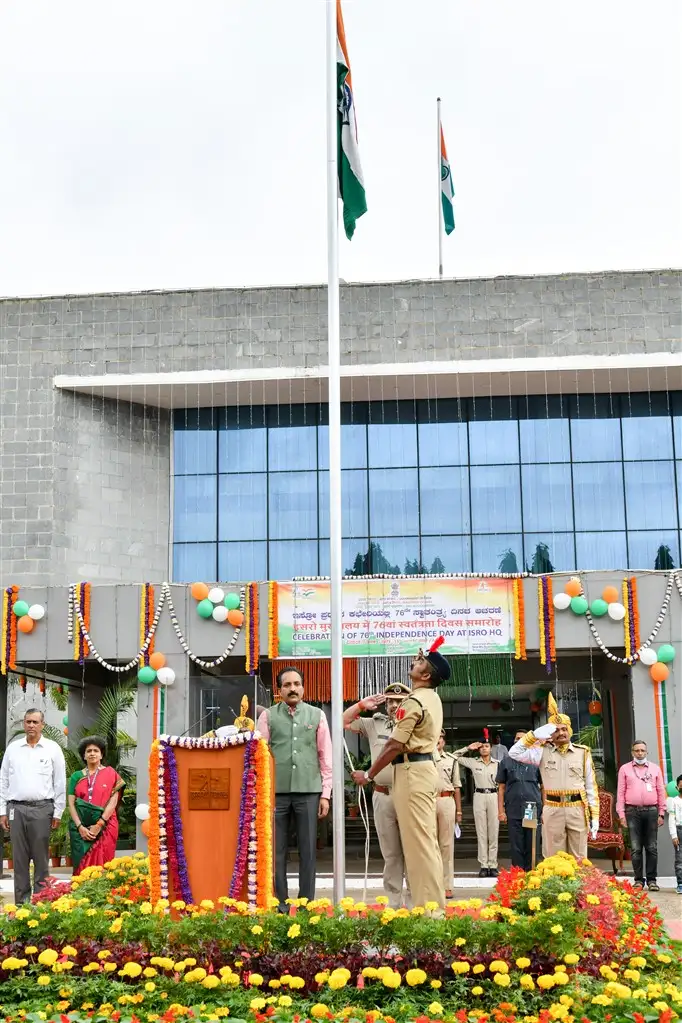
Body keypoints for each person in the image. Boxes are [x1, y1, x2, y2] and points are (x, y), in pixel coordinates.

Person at [351, 636, 449, 909]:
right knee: (423, 844)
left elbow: (395, 744)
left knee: (419, 847)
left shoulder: (415, 701)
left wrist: (368, 775)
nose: (414, 661)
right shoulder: (432, 698)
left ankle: (429, 912)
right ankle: (429, 907)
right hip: (420, 770)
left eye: (420, 661)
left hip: (412, 771)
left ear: (426, 674)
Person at [257, 667, 331, 910]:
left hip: (309, 791)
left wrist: (326, 794)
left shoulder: (317, 715)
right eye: (287, 684)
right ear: (279, 690)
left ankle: (306, 904)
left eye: (297, 684)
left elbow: (325, 757)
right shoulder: (267, 716)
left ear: (303, 688)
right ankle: (280, 905)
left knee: (308, 852)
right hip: (275, 793)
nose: (292, 688)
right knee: (276, 852)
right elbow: (259, 755)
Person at [343, 682, 412, 908]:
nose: (393, 705)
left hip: (410, 796)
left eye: (399, 701)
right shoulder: (375, 724)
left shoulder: (415, 724)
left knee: (413, 851)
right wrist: (362, 704)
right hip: (383, 796)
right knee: (391, 853)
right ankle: (393, 903)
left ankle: (413, 903)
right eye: (390, 701)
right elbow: (343, 721)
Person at [509, 694, 599, 859]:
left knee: (579, 857)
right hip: (552, 808)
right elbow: (514, 753)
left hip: (577, 808)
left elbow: (591, 786)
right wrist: (535, 735)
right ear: (550, 734)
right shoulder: (542, 751)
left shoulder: (583, 752)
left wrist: (595, 816)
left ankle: (579, 885)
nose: (561, 733)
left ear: (570, 731)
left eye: (564, 729)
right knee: (554, 857)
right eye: (556, 730)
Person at [0, 708, 66, 903]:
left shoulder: (52, 748)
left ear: (42, 725)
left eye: (35, 722)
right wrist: (2, 811)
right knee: (19, 860)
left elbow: (60, 782)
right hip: (15, 809)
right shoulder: (13, 748)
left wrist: (58, 812)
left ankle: (40, 903)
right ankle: (21, 905)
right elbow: (3, 780)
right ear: (24, 724)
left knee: (40, 859)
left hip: (42, 809)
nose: (31, 725)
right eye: (28, 721)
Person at [67, 735, 125, 875]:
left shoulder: (111, 773)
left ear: (101, 754)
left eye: (95, 750)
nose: (92, 753)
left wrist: (99, 824)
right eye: (88, 751)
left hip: (106, 825)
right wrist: (80, 827)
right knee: (82, 866)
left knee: (104, 865)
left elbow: (113, 801)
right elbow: (71, 804)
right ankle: (80, 894)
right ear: (84, 755)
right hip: (80, 827)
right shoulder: (76, 776)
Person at [616, 740, 666, 892]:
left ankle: (652, 880)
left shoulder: (655, 769)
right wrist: (621, 814)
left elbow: (660, 791)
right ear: (632, 752)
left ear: (646, 752)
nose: (640, 753)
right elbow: (620, 793)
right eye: (637, 750)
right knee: (636, 848)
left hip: (651, 812)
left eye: (642, 750)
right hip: (632, 812)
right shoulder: (625, 769)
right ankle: (638, 880)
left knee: (651, 847)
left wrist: (661, 813)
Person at [453, 730, 500, 877]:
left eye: (486, 746)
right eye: (482, 747)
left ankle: (493, 864)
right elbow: (453, 756)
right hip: (479, 796)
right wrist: (468, 748)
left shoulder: (498, 764)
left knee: (494, 832)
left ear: (491, 747)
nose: (484, 748)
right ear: (478, 749)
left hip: (494, 795)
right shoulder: (473, 763)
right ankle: (483, 864)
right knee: (481, 832)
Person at [497, 729, 542, 870]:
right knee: (516, 844)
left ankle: (531, 874)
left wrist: (546, 808)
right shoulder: (506, 762)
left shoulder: (535, 761)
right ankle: (518, 876)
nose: (519, 740)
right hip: (513, 807)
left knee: (531, 842)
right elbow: (501, 788)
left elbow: (544, 787)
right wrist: (501, 811)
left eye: (523, 738)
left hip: (531, 808)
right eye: (517, 738)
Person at [435, 731, 462, 897]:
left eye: (440, 737)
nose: (437, 740)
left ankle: (447, 885)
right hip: (427, 801)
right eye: (435, 736)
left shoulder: (452, 760)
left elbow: (457, 786)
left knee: (446, 845)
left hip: (446, 800)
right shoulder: (423, 758)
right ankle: (431, 885)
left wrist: (459, 810)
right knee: (429, 845)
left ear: (444, 741)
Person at [666, 774, 682, 895]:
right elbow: (671, 819)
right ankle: (681, 883)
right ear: (677, 787)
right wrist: (674, 835)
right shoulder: (674, 801)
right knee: (680, 859)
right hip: (679, 830)